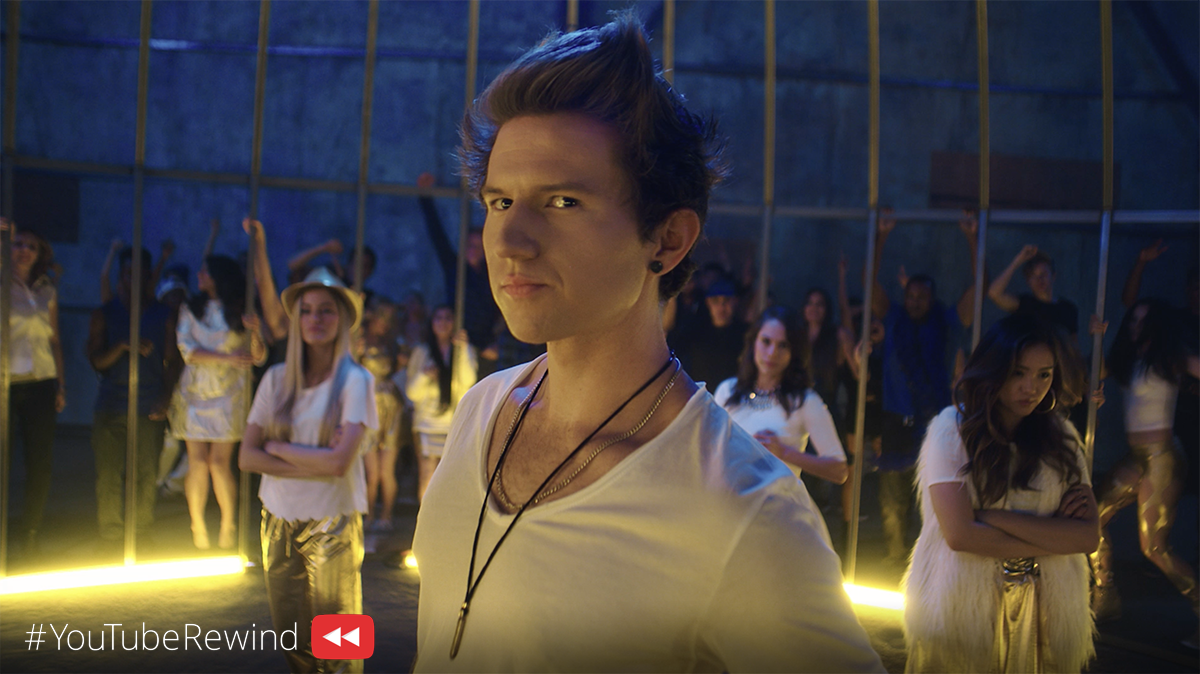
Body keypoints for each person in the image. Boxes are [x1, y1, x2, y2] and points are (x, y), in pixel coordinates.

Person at [411, 16, 882, 672]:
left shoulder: (739, 508)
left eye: (563, 202)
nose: (510, 242)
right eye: (498, 202)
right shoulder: (480, 411)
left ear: (667, 239)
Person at [903, 314, 1097, 673]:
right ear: (995, 370)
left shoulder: (1062, 438)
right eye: (1018, 372)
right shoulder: (952, 429)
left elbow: (1087, 537)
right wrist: (1057, 535)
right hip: (964, 604)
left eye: (1044, 375)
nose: (1031, 387)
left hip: (1044, 608)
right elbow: (960, 536)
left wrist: (992, 518)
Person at [238, 267, 377, 674]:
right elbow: (247, 458)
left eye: (326, 310)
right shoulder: (276, 379)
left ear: (343, 319)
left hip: (333, 519)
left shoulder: (356, 380)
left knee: (339, 641)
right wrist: (316, 460)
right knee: (292, 636)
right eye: (307, 310)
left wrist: (277, 448)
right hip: (277, 516)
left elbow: (339, 464)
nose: (315, 318)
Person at [869, 213, 980, 567]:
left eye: (922, 296)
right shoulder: (894, 318)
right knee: (892, 499)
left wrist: (972, 238)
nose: (915, 300)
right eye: (911, 295)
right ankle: (894, 559)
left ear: (932, 298)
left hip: (933, 421)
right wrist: (881, 236)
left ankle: (928, 562)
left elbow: (977, 289)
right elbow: (870, 283)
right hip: (895, 421)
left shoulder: (946, 322)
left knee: (933, 497)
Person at [1091, 298, 1200, 646]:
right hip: (1136, 457)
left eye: (1144, 321)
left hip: (1163, 456)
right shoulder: (1128, 358)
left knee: (1154, 548)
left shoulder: (1171, 357)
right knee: (1090, 519)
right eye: (1133, 321)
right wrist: (1098, 338)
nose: (1137, 328)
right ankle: (1105, 596)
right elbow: (1092, 375)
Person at [170, 255, 265, 549]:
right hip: (196, 389)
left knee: (220, 463)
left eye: (206, 271)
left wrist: (255, 331)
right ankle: (197, 524)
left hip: (229, 392)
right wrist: (226, 357)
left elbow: (257, 356)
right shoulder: (191, 307)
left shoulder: (240, 309)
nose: (200, 275)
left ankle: (228, 524)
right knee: (197, 461)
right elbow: (187, 349)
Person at [88, 247, 181, 543]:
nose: (135, 279)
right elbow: (97, 361)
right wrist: (122, 345)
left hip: (148, 401)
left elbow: (174, 360)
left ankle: (142, 530)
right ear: (122, 276)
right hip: (111, 402)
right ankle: (110, 532)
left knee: (146, 471)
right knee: (109, 472)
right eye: (130, 273)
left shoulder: (162, 314)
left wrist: (165, 397)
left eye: (141, 274)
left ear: (149, 276)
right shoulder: (106, 312)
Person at [714, 306, 848, 485]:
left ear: (794, 351)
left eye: (783, 345)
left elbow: (839, 471)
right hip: (728, 497)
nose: (772, 353)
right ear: (754, 341)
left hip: (777, 500)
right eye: (766, 341)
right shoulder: (728, 390)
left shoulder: (805, 401)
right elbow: (709, 451)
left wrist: (785, 452)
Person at [2, 222, 66, 552]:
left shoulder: (46, 290)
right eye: (19, 244)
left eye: (31, 246)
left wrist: (60, 384)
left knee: (40, 461)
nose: (24, 251)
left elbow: (54, 339)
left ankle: (30, 531)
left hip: (41, 381)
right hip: (6, 382)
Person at [417, 172, 501, 373]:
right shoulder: (454, 266)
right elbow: (437, 235)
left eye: (477, 245)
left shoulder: (491, 271)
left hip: (486, 344)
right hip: (459, 339)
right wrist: (425, 197)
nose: (473, 249)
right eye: (469, 244)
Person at [406, 304, 478, 500]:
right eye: (438, 318)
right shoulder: (421, 352)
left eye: (448, 318)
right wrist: (424, 375)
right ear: (432, 323)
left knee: (449, 476)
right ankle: (425, 516)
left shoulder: (463, 349)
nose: (443, 323)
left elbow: (469, 381)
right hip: (426, 422)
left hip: (452, 422)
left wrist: (463, 349)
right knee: (427, 474)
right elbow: (411, 393)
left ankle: (443, 515)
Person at [356, 297, 404, 530]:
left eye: (388, 319)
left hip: (390, 405)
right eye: (381, 317)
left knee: (386, 470)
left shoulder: (392, 344)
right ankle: (368, 516)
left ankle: (386, 516)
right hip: (367, 404)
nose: (384, 323)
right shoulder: (360, 341)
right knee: (371, 472)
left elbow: (399, 371)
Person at [670, 277, 748, 393]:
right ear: (708, 302)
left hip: (732, 395)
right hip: (700, 396)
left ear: (735, 301)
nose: (721, 307)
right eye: (716, 301)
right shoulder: (694, 331)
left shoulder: (745, 334)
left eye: (726, 300)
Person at [988, 245, 1079, 340]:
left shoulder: (1067, 309)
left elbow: (1073, 345)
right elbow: (994, 293)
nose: (1040, 279)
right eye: (1033, 276)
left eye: (1044, 274)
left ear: (1053, 276)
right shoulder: (1025, 304)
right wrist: (1017, 261)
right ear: (1028, 281)